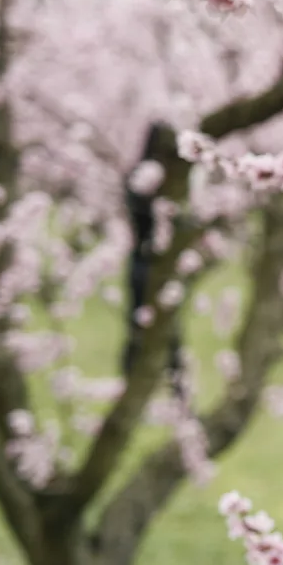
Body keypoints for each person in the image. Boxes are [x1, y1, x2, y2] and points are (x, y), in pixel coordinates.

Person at [122, 122, 186, 395]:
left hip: (140, 260)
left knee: (140, 324)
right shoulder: (163, 183)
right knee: (163, 329)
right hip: (155, 262)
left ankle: (131, 381)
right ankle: (174, 387)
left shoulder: (133, 177)